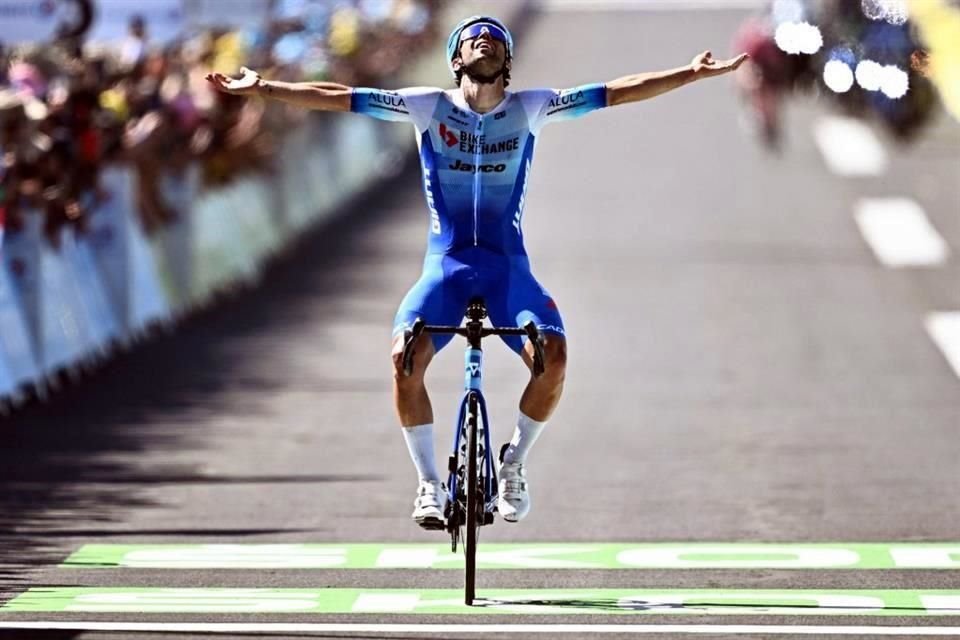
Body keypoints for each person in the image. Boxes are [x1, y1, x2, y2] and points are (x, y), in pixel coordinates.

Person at [206, 16, 747, 529]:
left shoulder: (532, 107)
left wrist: (689, 73)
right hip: (446, 267)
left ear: (507, 58)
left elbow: (616, 90)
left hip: (507, 269)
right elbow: (340, 97)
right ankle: (428, 485)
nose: (485, 40)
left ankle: (513, 462)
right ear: (456, 57)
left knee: (553, 359)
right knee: (403, 359)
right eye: (473, 38)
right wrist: (265, 89)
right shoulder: (425, 107)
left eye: (495, 38)